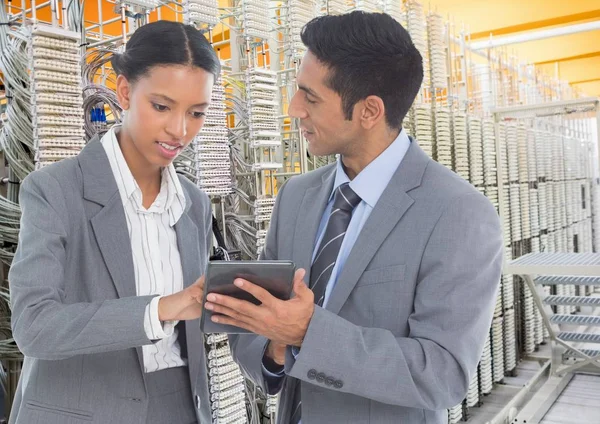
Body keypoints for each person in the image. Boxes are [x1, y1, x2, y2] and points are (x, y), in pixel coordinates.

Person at [204, 11, 503, 424]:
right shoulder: (296, 196)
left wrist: (308, 332)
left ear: (369, 111)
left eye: (310, 98)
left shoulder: (458, 214)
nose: (293, 110)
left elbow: (441, 374)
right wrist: (274, 345)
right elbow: (258, 329)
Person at [9, 20, 219, 424]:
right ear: (124, 91)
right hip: (82, 409)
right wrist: (160, 309)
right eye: (161, 106)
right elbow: (33, 326)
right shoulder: (55, 190)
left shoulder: (194, 203)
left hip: (181, 407)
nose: (179, 130)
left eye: (196, 113)